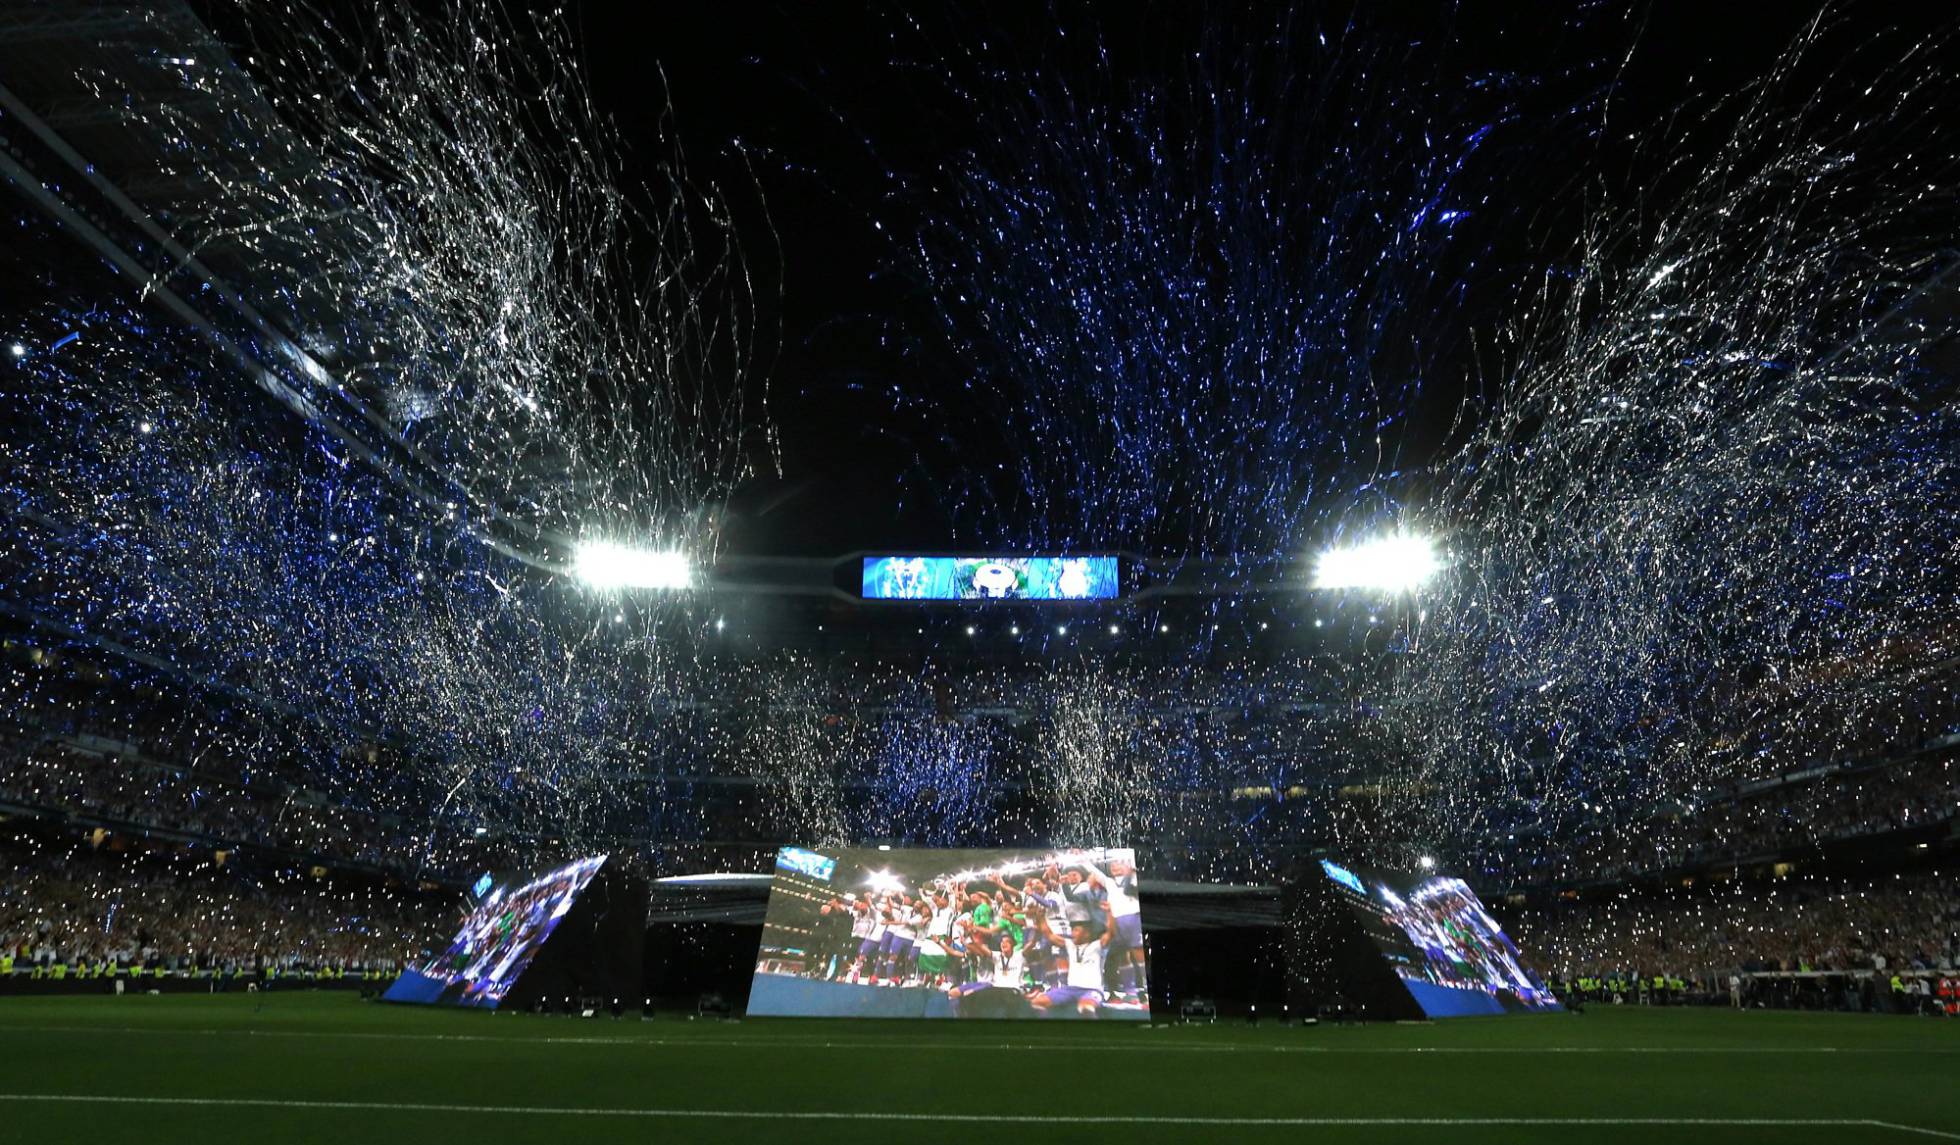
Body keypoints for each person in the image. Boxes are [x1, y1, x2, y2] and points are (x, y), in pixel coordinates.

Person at [1030, 897, 1115, 1018]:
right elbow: (1049, 935)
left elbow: (1111, 933)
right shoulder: (1070, 945)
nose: (1072, 933)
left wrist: (1109, 913)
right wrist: (1041, 917)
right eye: (1072, 930)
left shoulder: (1097, 946)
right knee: (1036, 1003)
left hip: (1091, 990)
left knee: (1085, 1008)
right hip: (1069, 990)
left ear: (1086, 934)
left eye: (1076, 930)